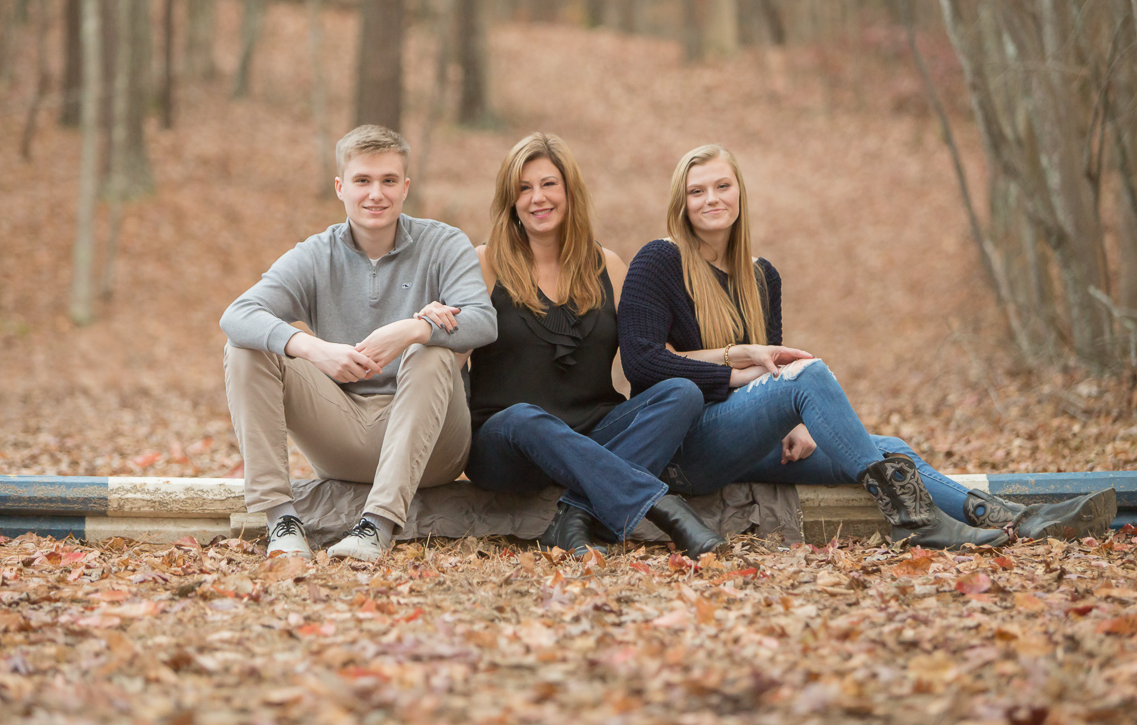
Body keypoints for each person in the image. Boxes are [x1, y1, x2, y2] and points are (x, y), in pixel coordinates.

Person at [617, 144, 1116, 548]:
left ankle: (1015, 518)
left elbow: (773, 367)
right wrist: (745, 378)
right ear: (681, 203)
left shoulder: (761, 276)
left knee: (891, 450)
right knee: (809, 373)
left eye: (722, 186)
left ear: (740, 193)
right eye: (697, 191)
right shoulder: (659, 261)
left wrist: (792, 422)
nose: (712, 199)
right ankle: (916, 521)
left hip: (750, 443)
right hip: (688, 447)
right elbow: (642, 365)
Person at [420, 133, 723, 559]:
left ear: (569, 192)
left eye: (548, 184)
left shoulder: (610, 266)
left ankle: (572, 516)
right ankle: (663, 506)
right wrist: (431, 326)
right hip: (506, 443)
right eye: (523, 188)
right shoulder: (483, 263)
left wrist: (739, 362)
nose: (537, 198)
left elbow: (653, 357)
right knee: (527, 418)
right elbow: (447, 364)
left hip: (595, 431)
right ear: (510, 200)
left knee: (681, 392)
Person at [220, 125, 496, 561]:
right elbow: (236, 314)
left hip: (433, 447)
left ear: (405, 187)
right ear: (340, 187)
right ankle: (280, 520)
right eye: (362, 181)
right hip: (343, 432)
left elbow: (484, 321)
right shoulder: (315, 255)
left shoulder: (444, 243)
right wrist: (311, 348)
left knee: (431, 351)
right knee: (245, 348)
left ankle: (377, 526)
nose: (376, 194)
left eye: (388, 181)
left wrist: (414, 329)